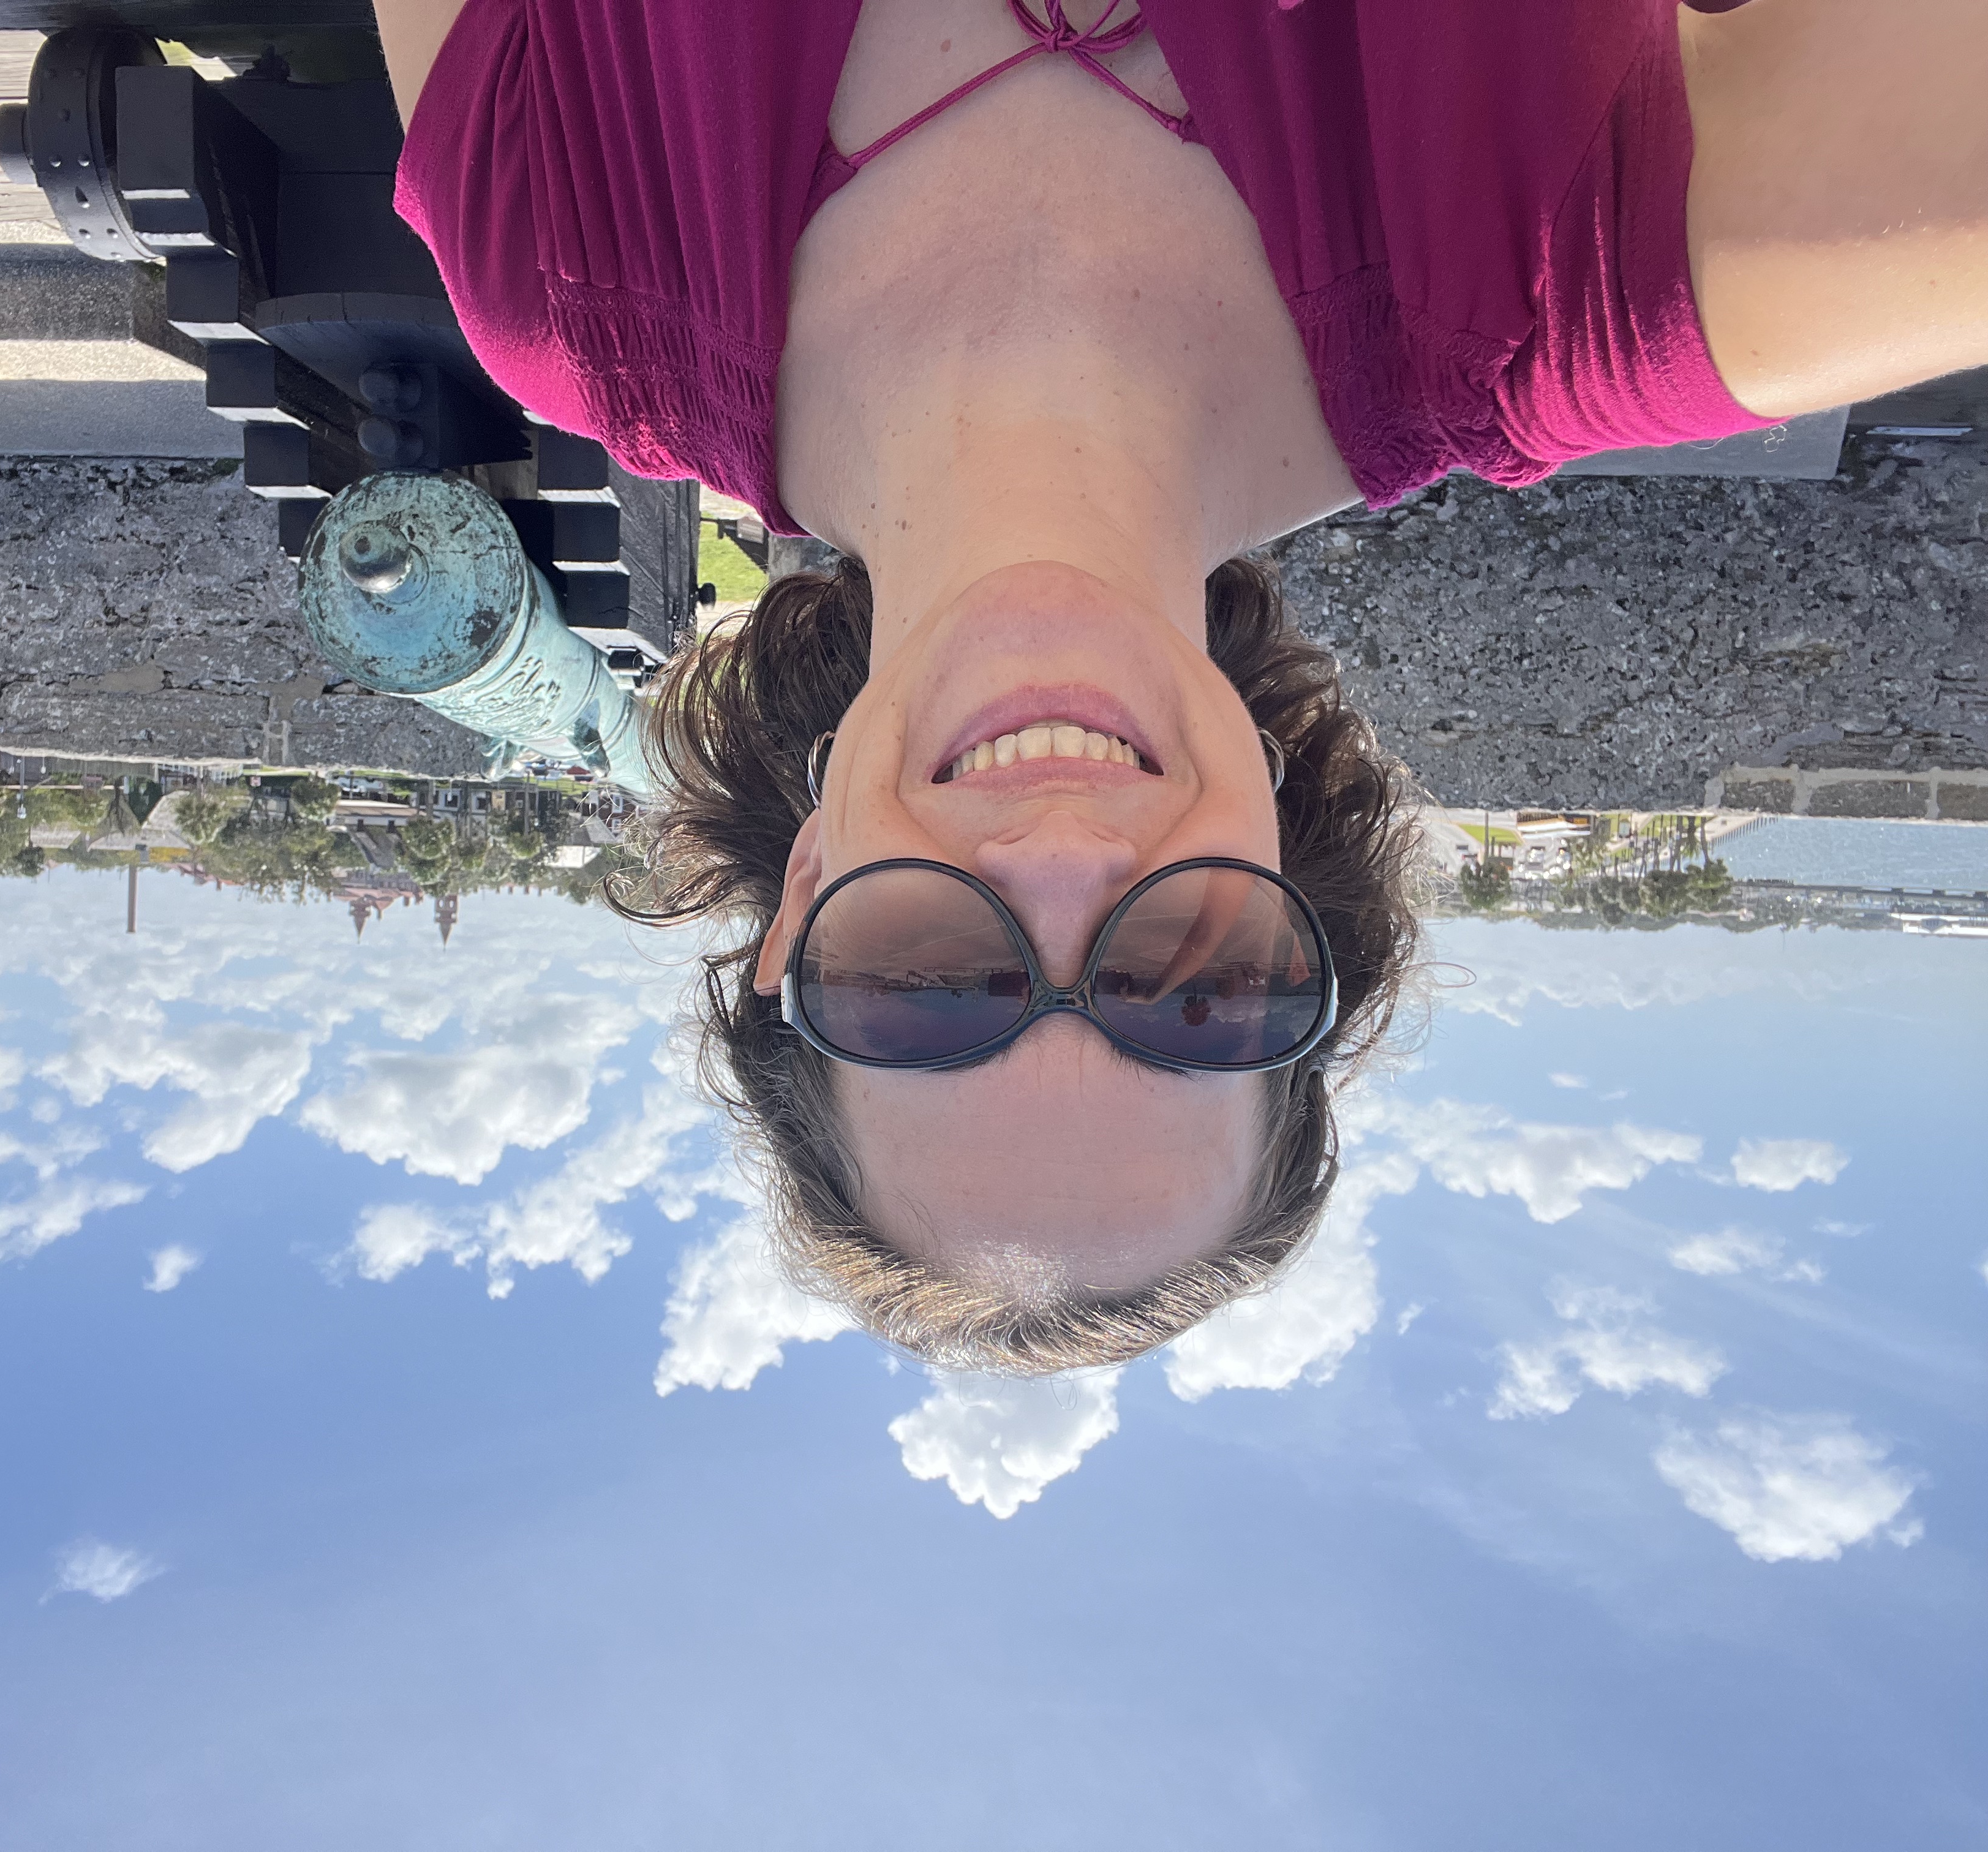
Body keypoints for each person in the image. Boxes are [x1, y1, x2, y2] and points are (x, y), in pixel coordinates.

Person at [369, 0, 1988, 1369]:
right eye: (1196, 989)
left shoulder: (567, 257)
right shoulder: (1586, 276)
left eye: (931, 985)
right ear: (1297, 905)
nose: (1067, 855)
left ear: (803, 904)